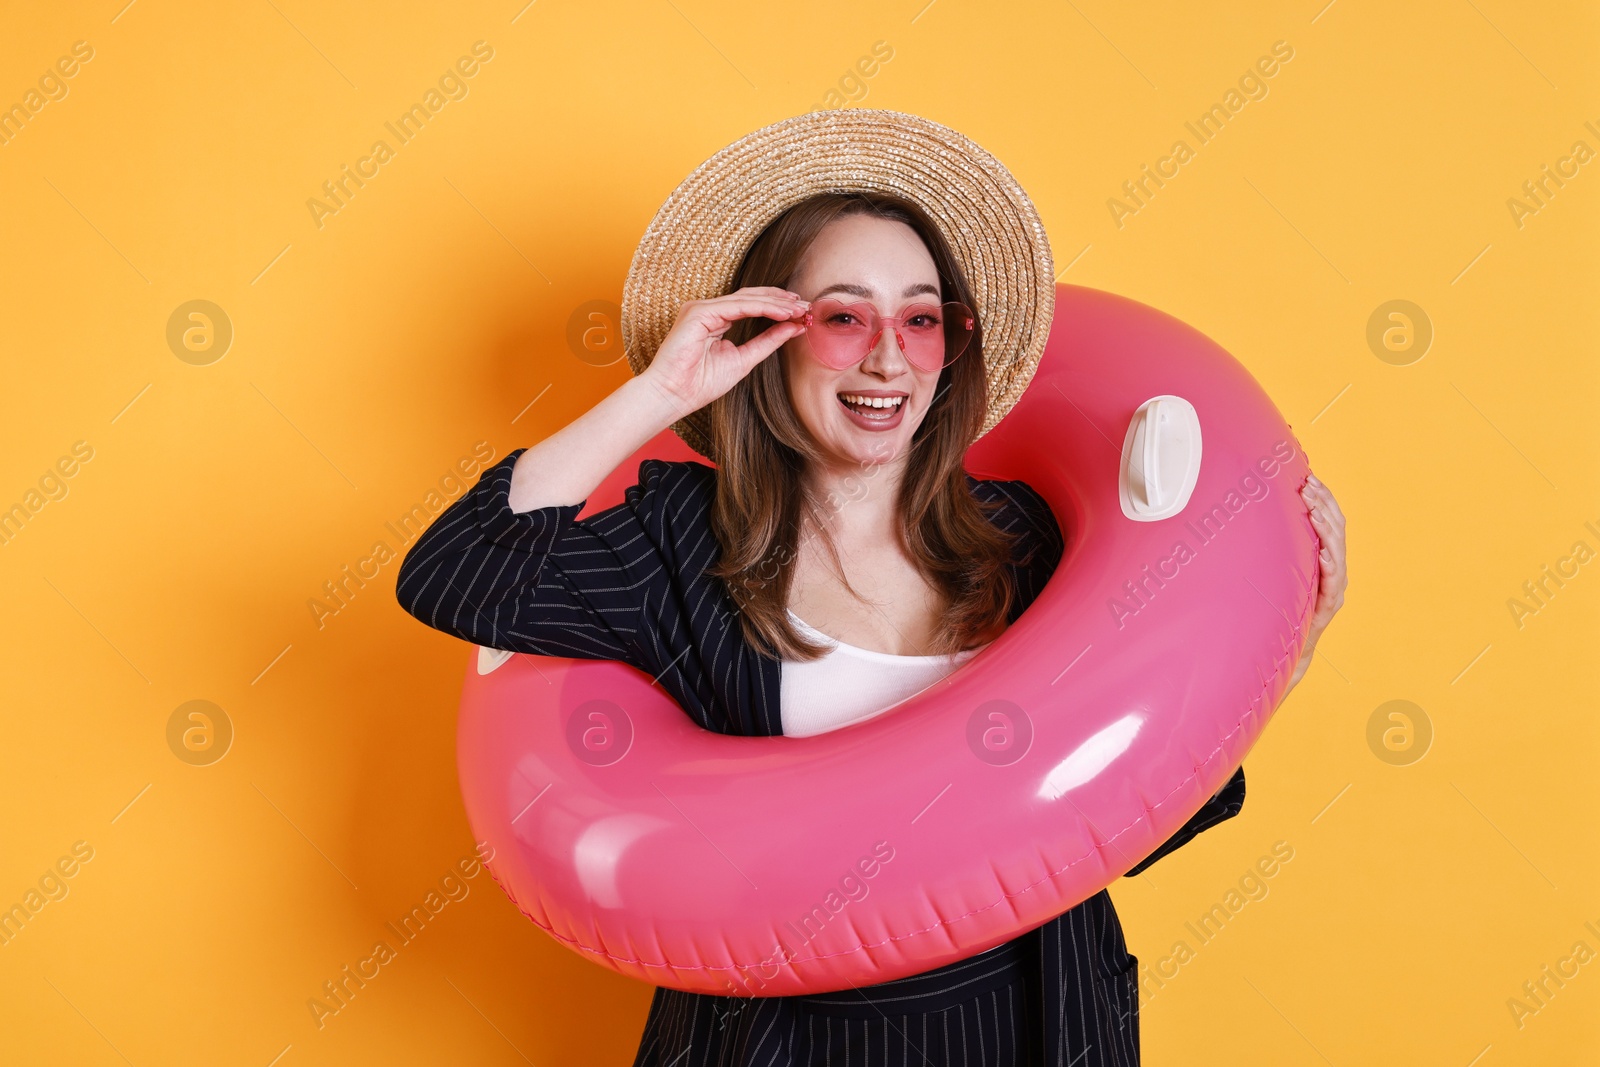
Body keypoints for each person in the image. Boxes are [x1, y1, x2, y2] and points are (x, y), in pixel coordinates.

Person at [395, 109, 1347, 1067]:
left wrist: (1282, 653)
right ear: (770, 336)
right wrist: (662, 393)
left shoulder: (1027, 538)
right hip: (783, 1043)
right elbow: (456, 573)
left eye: (922, 318)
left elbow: (1110, 819)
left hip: (1034, 1027)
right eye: (844, 316)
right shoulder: (683, 538)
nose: (889, 357)